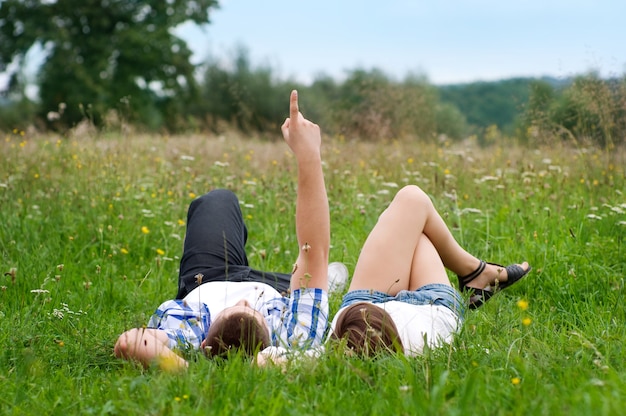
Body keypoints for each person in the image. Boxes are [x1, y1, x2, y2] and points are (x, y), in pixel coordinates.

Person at [114, 90, 331, 370]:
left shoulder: (188, 332)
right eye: (252, 310)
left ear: (202, 344)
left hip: (207, 280)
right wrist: (309, 155)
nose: (243, 299)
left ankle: (314, 282)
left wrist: (183, 370)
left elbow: (129, 343)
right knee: (315, 272)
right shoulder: (294, 336)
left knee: (218, 200)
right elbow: (313, 251)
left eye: (233, 308)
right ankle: (329, 283)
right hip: (275, 290)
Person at [328, 184, 531, 357]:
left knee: (405, 221)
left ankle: (476, 273)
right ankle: (474, 271)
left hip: (359, 316)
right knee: (412, 207)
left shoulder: (339, 347)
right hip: (429, 306)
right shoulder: (424, 344)